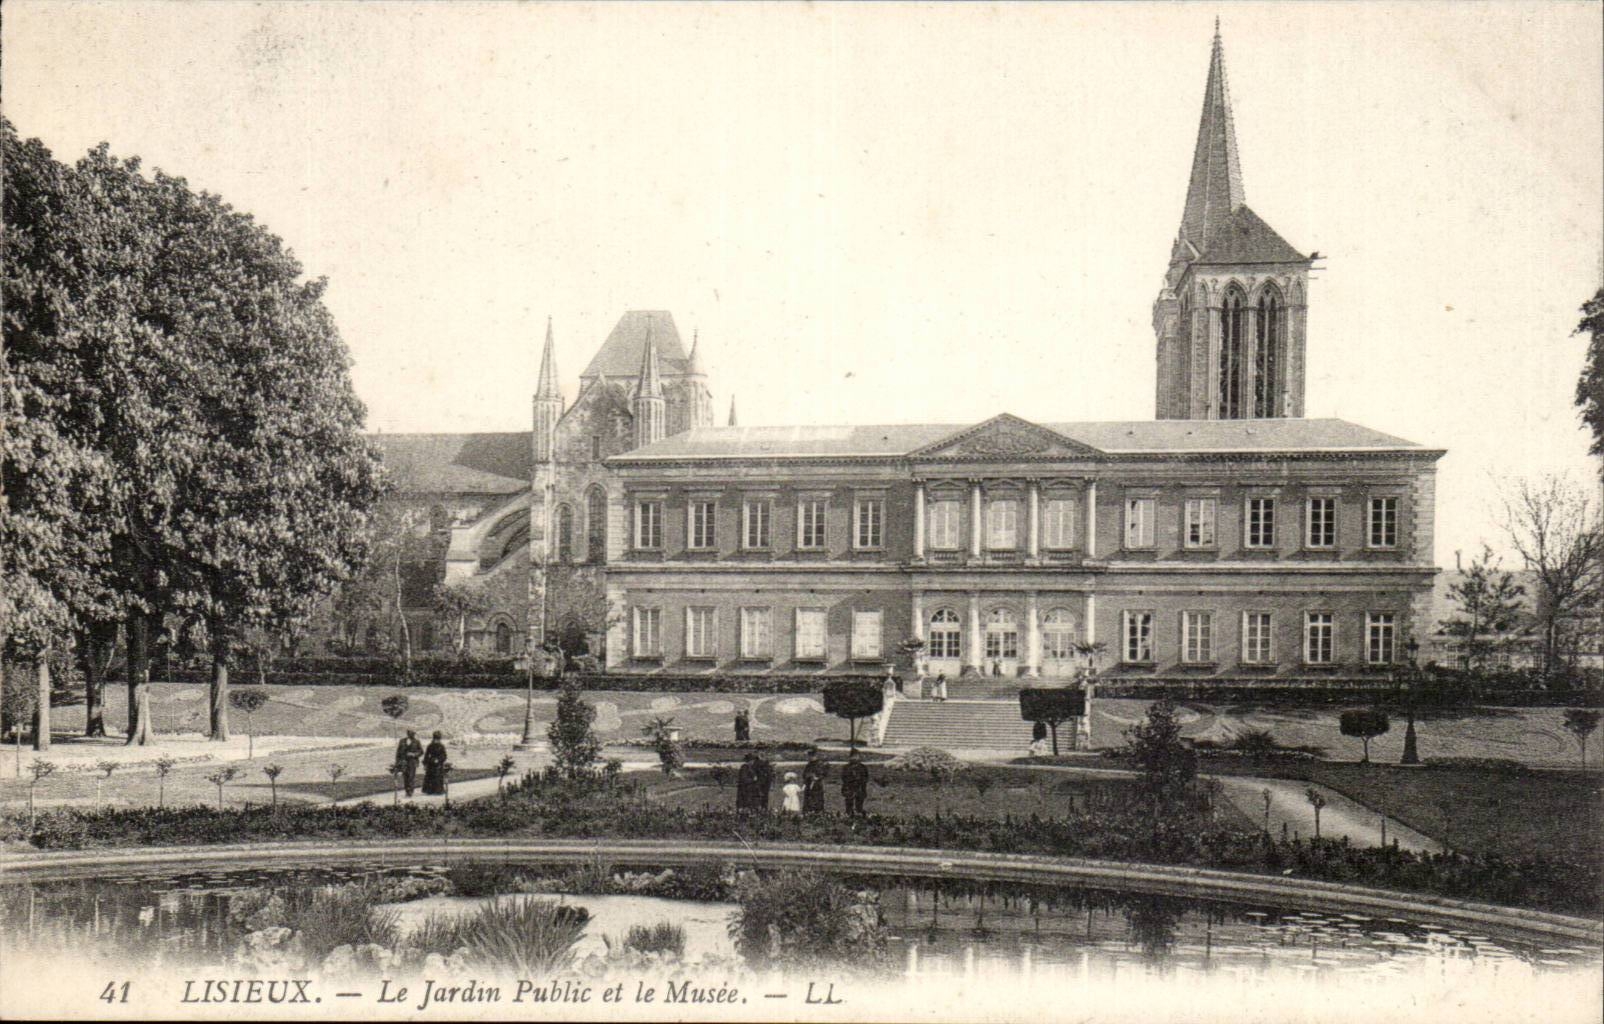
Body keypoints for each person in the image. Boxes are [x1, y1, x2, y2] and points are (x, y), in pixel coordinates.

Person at [395, 729, 424, 797]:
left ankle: (410, 791)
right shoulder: (402, 741)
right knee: (405, 776)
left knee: (411, 776)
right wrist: (397, 762)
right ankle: (407, 790)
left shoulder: (417, 742)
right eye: (410, 733)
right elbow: (398, 752)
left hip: (412, 762)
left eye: (413, 733)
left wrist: (414, 754)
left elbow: (421, 751)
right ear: (408, 734)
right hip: (404, 761)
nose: (412, 735)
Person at [841, 749, 869, 817]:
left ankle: (859, 811)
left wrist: (861, 781)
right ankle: (849, 812)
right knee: (849, 801)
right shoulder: (846, 767)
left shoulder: (863, 767)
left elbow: (866, 777)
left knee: (859, 801)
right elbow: (844, 777)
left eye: (856, 756)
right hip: (849, 787)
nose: (855, 758)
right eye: (853, 756)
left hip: (860, 787)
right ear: (850, 757)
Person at [421, 730, 449, 796]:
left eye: (437, 739)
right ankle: (430, 790)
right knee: (431, 777)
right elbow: (426, 755)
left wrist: (438, 760)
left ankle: (438, 790)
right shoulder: (430, 746)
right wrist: (426, 763)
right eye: (435, 739)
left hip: (438, 764)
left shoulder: (441, 746)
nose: (436, 740)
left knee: (438, 777)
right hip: (431, 764)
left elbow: (444, 756)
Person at [801, 750, 827, 815]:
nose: (810, 758)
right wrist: (807, 776)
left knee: (817, 799)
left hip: (817, 785)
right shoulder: (808, 765)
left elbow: (824, 774)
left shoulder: (820, 764)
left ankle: (818, 813)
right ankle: (808, 813)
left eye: (812, 756)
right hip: (808, 785)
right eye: (809, 756)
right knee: (808, 800)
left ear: (815, 756)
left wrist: (817, 777)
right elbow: (804, 774)